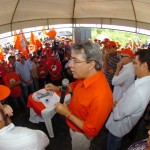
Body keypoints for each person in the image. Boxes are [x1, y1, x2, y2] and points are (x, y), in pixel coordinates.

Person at [45, 41, 113, 150]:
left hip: (81, 134)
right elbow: (75, 85)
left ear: (91, 64)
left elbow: (91, 130)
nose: (70, 64)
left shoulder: (101, 96)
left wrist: (66, 113)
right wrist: (58, 88)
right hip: (72, 125)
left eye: (75, 61)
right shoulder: (85, 76)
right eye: (71, 59)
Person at [106, 49, 150, 150]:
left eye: (135, 63)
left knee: (112, 145)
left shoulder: (140, 92)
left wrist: (113, 104)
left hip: (118, 127)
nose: (133, 65)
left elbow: (117, 115)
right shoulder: (142, 81)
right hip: (121, 122)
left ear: (144, 66)